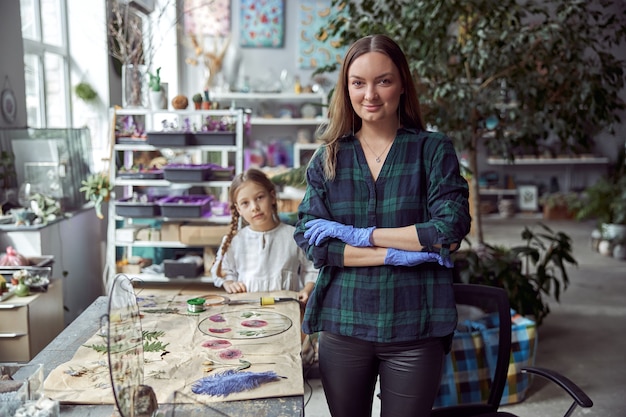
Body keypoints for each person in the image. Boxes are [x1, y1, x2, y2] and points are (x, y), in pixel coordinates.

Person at [293, 34, 471, 417]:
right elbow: (313, 241)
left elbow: (449, 228)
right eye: (358, 83)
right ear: (347, 88)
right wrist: (400, 251)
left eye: (383, 81)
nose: (370, 94)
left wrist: (360, 237)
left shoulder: (432, 151)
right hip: (344, 323)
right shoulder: (329, 158)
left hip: (416, 325)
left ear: (402, 84)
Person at [211, 168, 317, 304]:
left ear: (272, 197)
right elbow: (223, 270)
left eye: (260, 197)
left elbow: (312, 268)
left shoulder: (294, 236)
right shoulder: (235, 241)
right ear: (239, 209)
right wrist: (229, 283)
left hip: (285, 308)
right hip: (248, 309)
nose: (254, 207)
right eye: (245, 203)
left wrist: (307, 290)